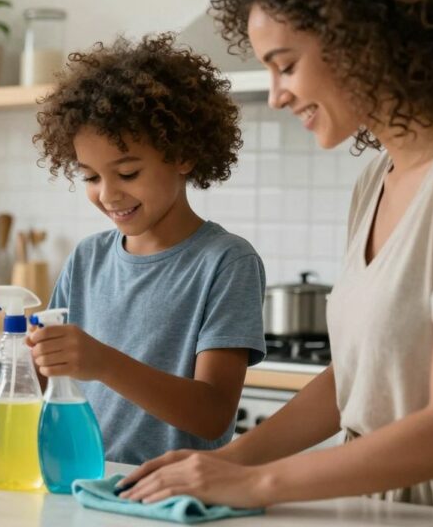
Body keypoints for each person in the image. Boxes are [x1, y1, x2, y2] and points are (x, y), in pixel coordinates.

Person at [118, 0, 433, 522]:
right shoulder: (377, 177)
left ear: (361, 39)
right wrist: (225, 465)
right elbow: (353, 378)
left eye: (286, 65)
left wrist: (259, 484)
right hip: (370, 505)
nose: (275, 94)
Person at [26, 34, 267, 465]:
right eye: (90, 178)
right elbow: (41, 376)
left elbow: (212, 414)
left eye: (128, 172)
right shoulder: (88, 259)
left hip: (166, 495)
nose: (108, 194)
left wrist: (103, 363)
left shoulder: (226, 262)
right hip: (83, 484)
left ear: (183, 155)